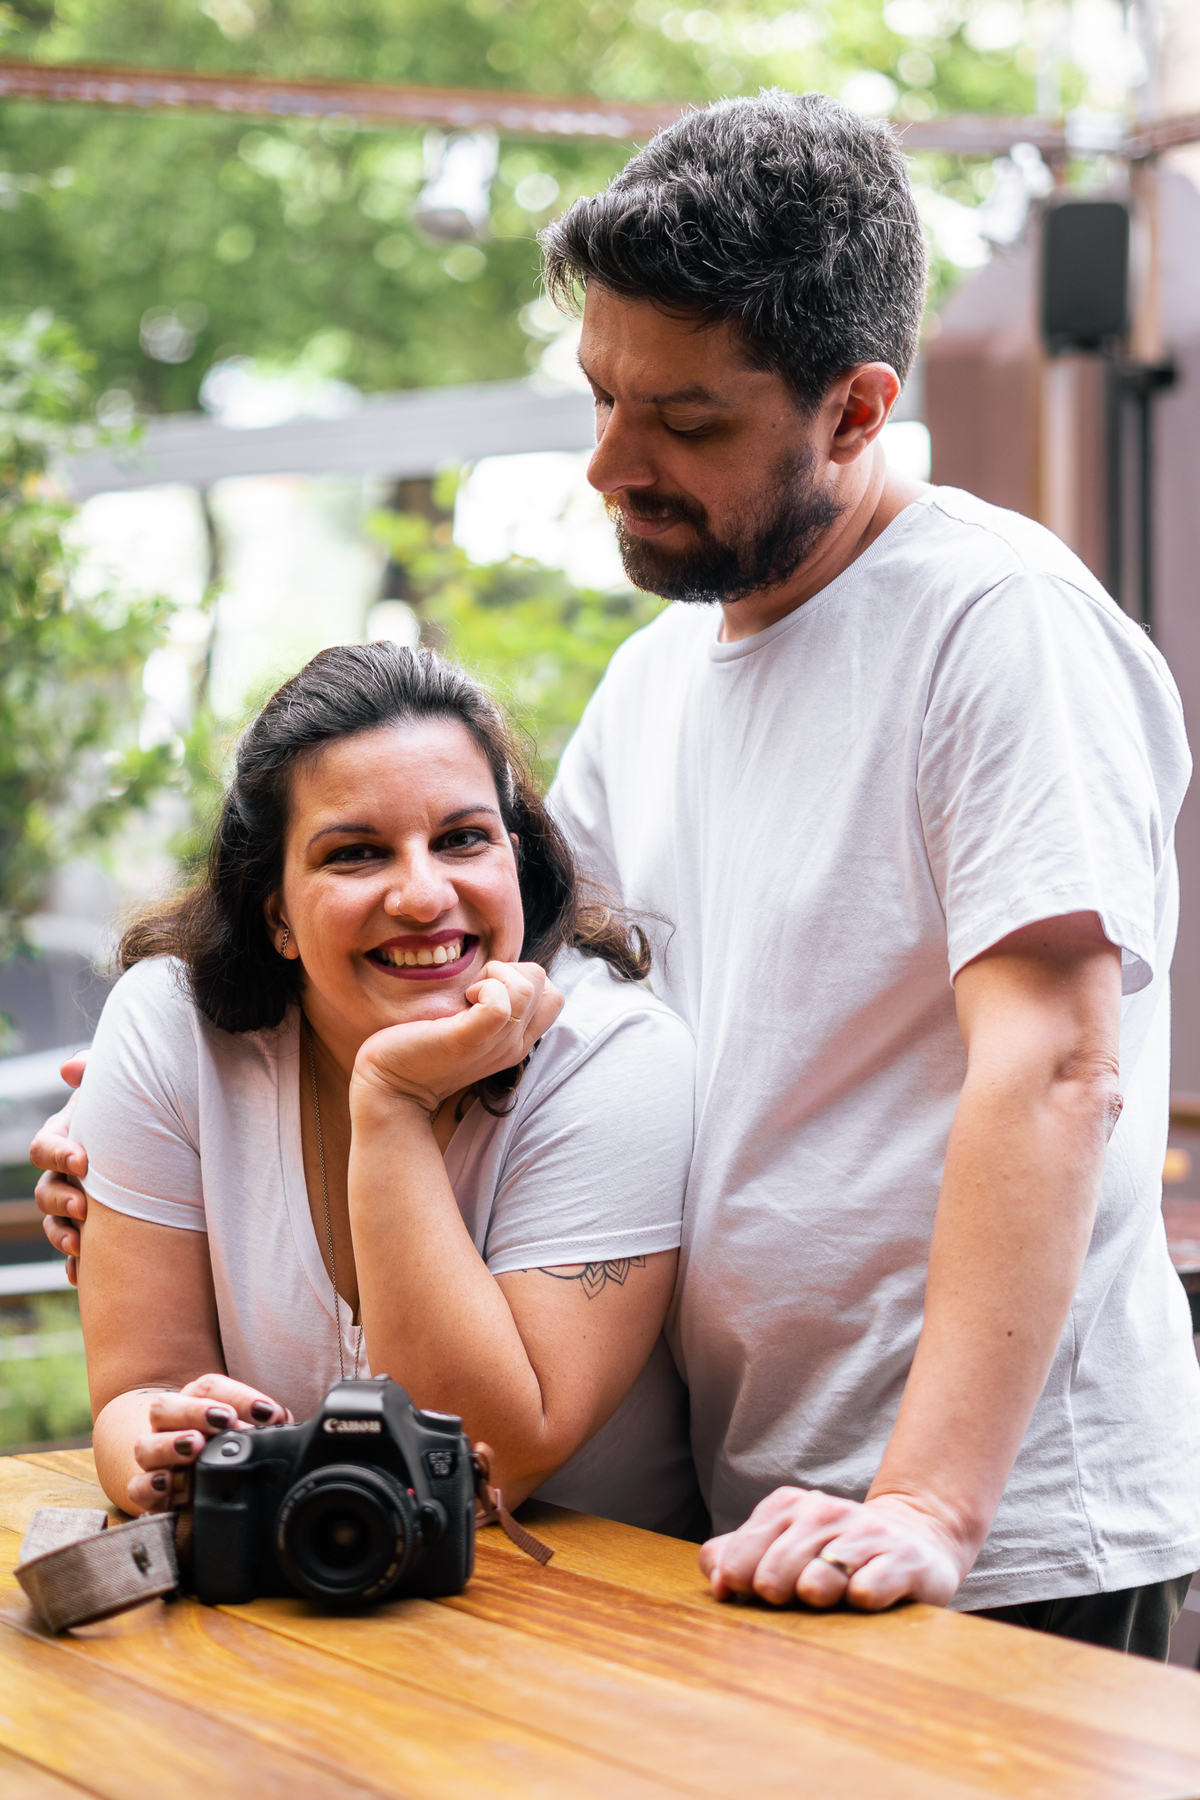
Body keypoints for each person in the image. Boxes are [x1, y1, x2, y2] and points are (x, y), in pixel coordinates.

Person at [533, 90, 1198, 1657]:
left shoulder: (997, 624)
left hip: (997, 1532)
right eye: (602, 397)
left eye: (686, 421)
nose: (612, 463)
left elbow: (1056, 1067)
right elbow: (528, 1028)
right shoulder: (651, 681)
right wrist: (183, 1122)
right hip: (755, 1511)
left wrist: (930, 1508)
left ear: (854, 409)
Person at [38, 642, 702, 1535]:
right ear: (276, 911)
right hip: (285, 1592)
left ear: (514, 858)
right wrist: (161, 1449)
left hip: (587, 1603)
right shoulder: (171, 1027)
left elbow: (488, 1463)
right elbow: (140, 1391)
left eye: (462, 839)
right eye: (356, 853)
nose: (424, 896)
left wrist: (391, 1102)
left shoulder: (612, 1056)